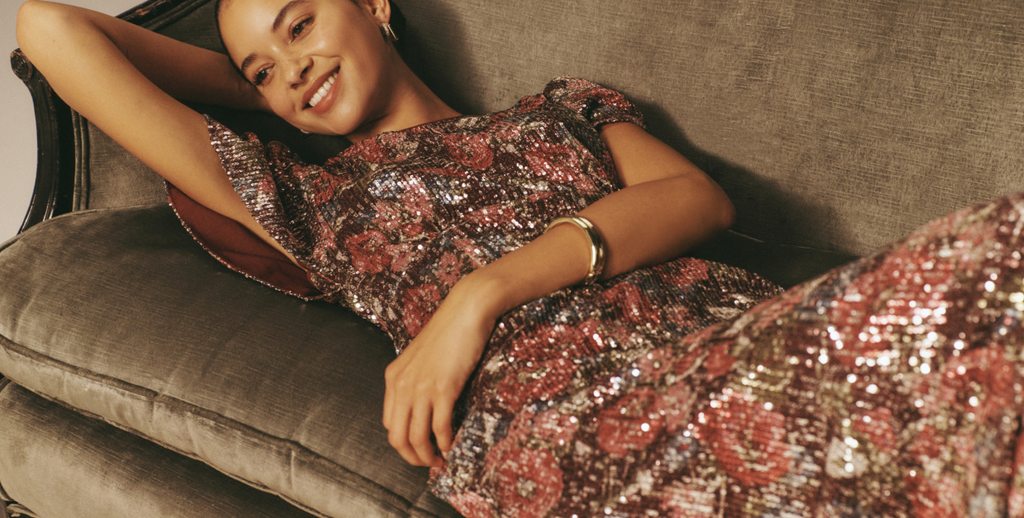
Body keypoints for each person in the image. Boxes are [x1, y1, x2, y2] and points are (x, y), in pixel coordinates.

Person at [15, 0, 1024, 516]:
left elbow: (692, 199)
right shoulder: (312, 202)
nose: (292, 66)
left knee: (991, 252)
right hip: (560, 427)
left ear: (374, 0)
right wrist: (274, 87)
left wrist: (481, 293)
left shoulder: (561, 111)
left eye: (302, 22)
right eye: (261, 69)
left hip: (727, 346)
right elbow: (48, 28)